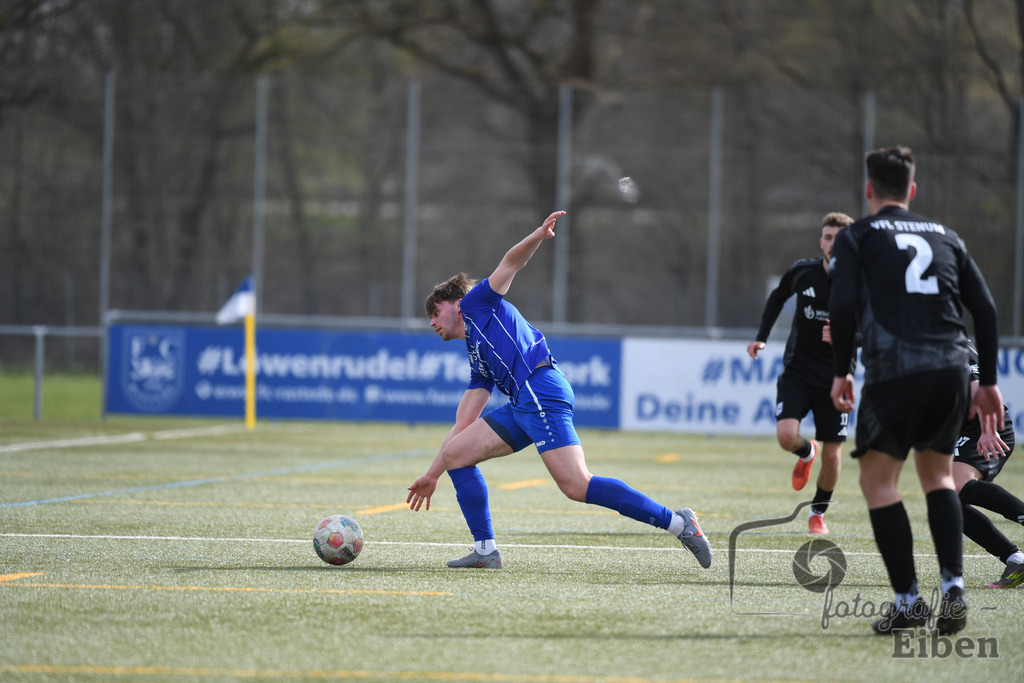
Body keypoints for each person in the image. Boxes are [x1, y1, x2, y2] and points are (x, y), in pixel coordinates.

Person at [406, 211, 711, 569]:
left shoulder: (475, 304)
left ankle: (679, 523)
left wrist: (537, 235)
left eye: (434, 311)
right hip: (526, 402)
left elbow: (509, 263)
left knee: (576, 485)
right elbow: (463, 423)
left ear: (456, 304)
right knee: (457, 453)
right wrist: (432, 474)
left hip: (540, 390)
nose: (431, 321)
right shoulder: (477, 354)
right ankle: (486, 552)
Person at [828, 145, 1004, 637]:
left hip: (895, 369)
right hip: (951, 369)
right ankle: (954, 589)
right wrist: (986, 380)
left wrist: (842, 370)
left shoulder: (858, 236)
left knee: (879, 484)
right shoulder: (947, 235)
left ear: (868, 191)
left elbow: (842, 307)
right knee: (938, 478)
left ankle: (908, 601)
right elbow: (985, 311)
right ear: (911, 190)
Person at [747, 212, 854, 535]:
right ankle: (807, 452)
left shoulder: (859, 279)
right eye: (827, 237)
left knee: (834, 458)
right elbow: (778, 296)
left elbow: (873, 331)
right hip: (798, 372)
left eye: (838, 238)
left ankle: (818, 513)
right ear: (820, 241)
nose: (831, 243)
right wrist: (762, 336)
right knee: (785, 437)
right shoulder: (803, 271)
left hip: (837, 378)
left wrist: (847, 337)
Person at [954, 340, 1024, 588]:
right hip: (959, 430)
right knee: (945, 502)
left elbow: (978, 387)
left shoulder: (950, 338)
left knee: (956, 486)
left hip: (985, 425)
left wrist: (986, 429)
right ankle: (1015, 560)